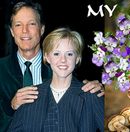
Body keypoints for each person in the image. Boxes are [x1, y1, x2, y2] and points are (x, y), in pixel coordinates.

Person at [0, 1, 104, 132]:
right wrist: (11, 107)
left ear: (42, 29)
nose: (24, 30)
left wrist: (102, 92)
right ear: (12, 31)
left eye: (31, 24)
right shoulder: (1, 70)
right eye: (18, 24)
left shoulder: (62, 68)